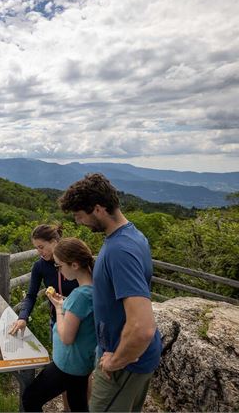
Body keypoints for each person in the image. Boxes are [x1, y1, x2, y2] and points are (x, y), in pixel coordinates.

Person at [58, 173, 161, 412]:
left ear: (98, 209)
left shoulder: (120, 250)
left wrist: (116, 360)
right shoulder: (131, 236)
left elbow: (143, 327)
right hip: (127, 359)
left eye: (79, 215)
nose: (78, 222)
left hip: (124, 365)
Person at [22, 237, 97, 412]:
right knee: (77, 403)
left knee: (30, 399)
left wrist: (58, 308)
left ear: (74, 265)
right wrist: (63, 305)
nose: (58, 270)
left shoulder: (80, 296)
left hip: (68, 365)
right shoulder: (95, 289)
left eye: (59, 265)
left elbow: (66, 337)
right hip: (83, 364)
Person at [9, 224, 78, 337]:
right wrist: (22, 317)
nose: (39, 252)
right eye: (36, 248)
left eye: (41, 247)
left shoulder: (73, 260)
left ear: (54, 242)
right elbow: (31, 295)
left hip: (81, 320)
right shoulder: (39, 266)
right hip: (57, 322)